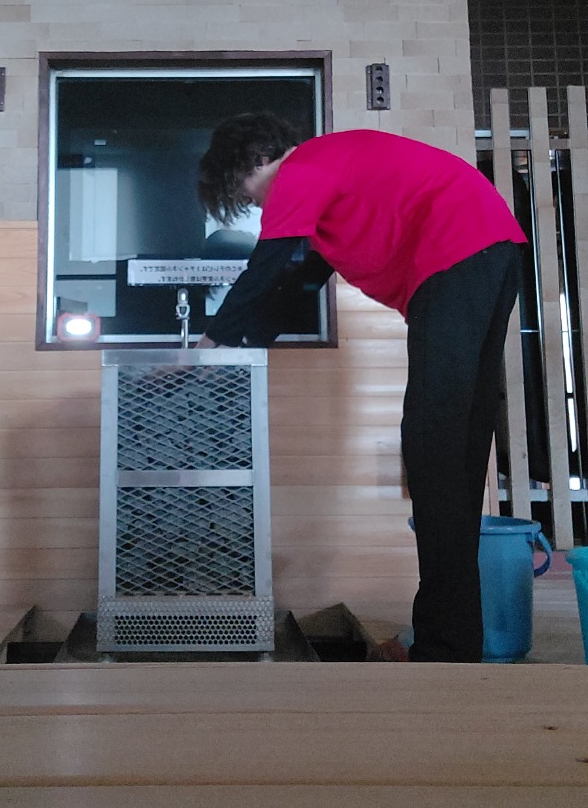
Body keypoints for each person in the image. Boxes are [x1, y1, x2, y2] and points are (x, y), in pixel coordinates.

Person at [195, 112, 527, 663]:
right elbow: (297, 282)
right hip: (491, 251)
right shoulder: (337, 181)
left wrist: (211, 342)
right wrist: (242, 343)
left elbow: (268, 264)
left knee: (431, 449)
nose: (254, 207)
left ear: (257, 161)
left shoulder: (303, 166)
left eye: (243, 192)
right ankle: (451, 642)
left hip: (456, 253)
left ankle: (445, 647)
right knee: (457, 456)